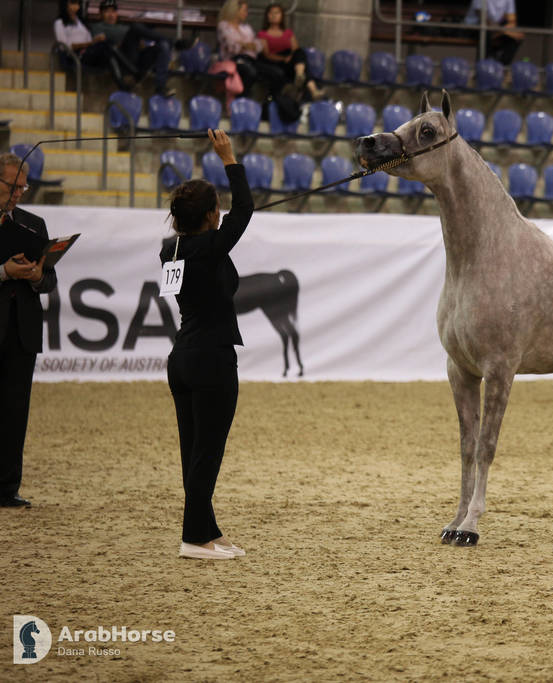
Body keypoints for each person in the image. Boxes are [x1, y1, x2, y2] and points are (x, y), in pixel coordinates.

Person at [161, 129, 252, 560]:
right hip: (212, 359)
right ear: (212, 214)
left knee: (195, 452)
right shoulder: (212, 247)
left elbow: (226, 221)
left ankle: (206, 529)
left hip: (182, 357)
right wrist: (228, 157)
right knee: (206, 454)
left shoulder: (171, 248)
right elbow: (245, 208)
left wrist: (213, 224)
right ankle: (194, 539)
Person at [0, 153, 59, 508]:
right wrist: (4, 272)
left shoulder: (34, 225)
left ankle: (7, 488)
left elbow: (50, 279)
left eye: (23, 187)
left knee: (15, 410)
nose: (19, 193)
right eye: (13, 186)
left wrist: (37, 276)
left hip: (22, 330)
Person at [90, 0, 175, 97]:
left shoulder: (124, 27)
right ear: (100, 14)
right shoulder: (97, 27)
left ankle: (160, 86)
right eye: (107, 11)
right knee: (135, 26)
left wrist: (141, 44)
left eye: (113, 11)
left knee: (163, 45)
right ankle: (169, 40)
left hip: (136, 57)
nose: (111, 15)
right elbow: (100, 45)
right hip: (121, 59)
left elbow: (139, 44)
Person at [53, 0, 132, 91]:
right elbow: (64, 46)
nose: (75, 7)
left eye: (77, 4)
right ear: (65, 5)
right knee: (106, 46)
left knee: (108, 48)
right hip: (76, 55)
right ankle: (129, 73)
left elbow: (90, 41)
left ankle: (123, 83)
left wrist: (95, 41)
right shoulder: (60, 23)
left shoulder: (81, 22)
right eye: (72, 4)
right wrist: (92, 42)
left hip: (88, 52)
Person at [257, 2, 324, 102]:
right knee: (302, 68)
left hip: (289, 60)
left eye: (277, 13)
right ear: (267, 15)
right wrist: (283, 58)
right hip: (274, 62)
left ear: (282, 16)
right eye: (271, 13)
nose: (274, 15)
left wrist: (290, 57)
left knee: (300, 52)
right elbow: (267, 54)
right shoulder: (263, 34)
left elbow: (295, 50)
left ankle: (300, 75)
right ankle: (312, 89)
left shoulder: (288, 33)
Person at [217, 0, 284, 99]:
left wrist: (243, 44)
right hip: (234, 60)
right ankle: (241, 100)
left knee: (277, 73)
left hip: (250, 59)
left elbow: (258, 45)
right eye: (244, 10)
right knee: (250, 72)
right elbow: (232, 47)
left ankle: (271, 100)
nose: (246, 13)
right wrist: (247, 45)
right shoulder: (224, 26)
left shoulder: (246, 28)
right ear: (235, 10)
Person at [464, 0, 524, 65]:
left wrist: (507, 31)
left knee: (516, 37)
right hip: (474, 27)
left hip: (496, 28)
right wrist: (500, 30)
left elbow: (511, 20)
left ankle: (501, 66)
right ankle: (482, 65)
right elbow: (483, 17)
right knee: (485, 33)